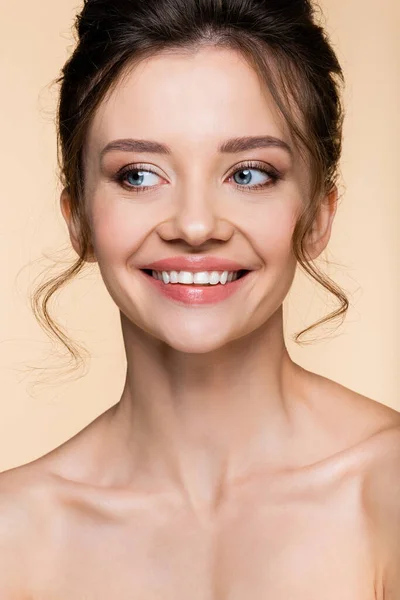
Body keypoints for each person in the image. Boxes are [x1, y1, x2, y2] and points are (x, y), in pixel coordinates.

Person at [1, 0, 399, 597]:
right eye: (138, 174)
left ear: (318, 216)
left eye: (249, 173)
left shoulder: (387, 491)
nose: (193, 225)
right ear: (78, 218)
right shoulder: (15, 534)